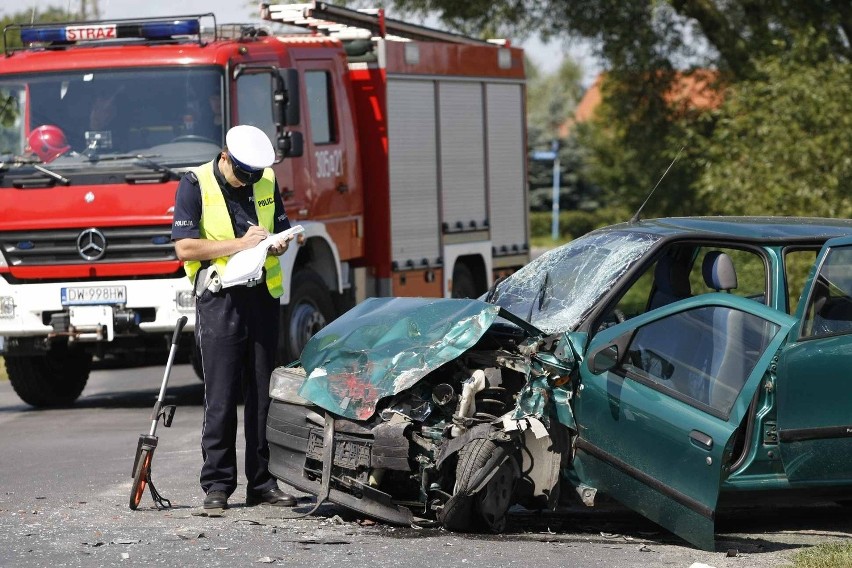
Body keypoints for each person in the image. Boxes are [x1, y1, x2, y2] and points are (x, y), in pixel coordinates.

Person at [171, 124, 297, 512]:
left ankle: (262, 482)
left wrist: (282, 242)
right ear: (224, 157)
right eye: (242, 174)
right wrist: (240, 245)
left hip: (261, 297)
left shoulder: (265, 179)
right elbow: (185, 247)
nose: (248, 182)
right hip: (220, 299)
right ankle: (218, 484)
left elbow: (277, 227)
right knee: (222, 396)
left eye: (254, 176)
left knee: (262, 396)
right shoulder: (195, 183)